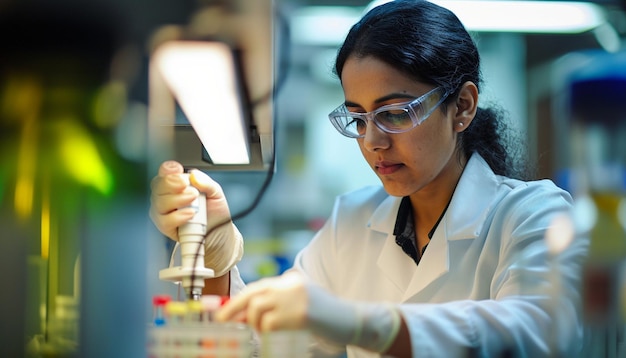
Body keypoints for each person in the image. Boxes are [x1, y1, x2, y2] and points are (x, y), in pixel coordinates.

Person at [149, 0, 588, 356]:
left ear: (463, 107)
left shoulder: (534, 214)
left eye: (395, 113)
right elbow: (259, 347)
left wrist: (361, 322)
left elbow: (541, 333)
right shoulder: (353, 221)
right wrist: (213, 252)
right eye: (358, 119)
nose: (373, 141)